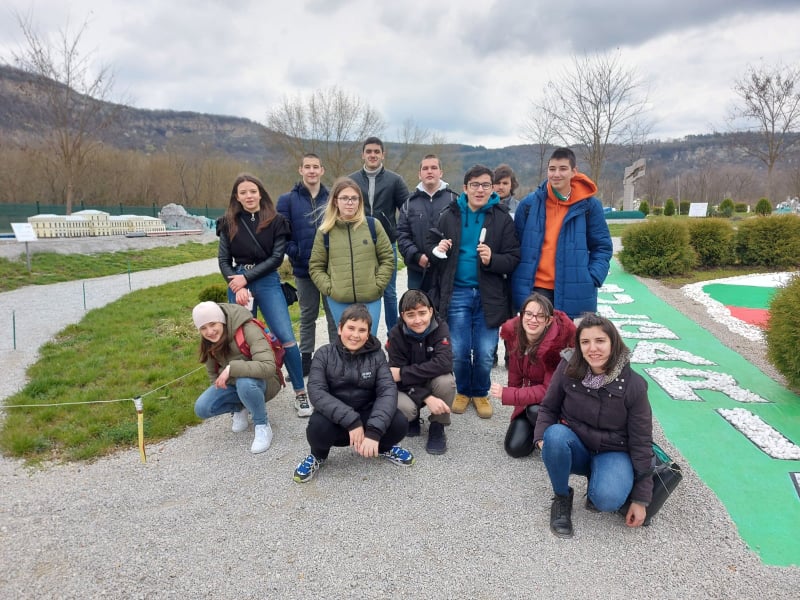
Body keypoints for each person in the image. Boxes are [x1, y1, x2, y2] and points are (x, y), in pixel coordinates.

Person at [534, 313, 654, 538]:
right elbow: (549, 407)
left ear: (613, 343)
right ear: (579, 346)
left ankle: (600, 481)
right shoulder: (568, 367)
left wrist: (641, 499)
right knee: (554, 436)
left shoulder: (634, 385)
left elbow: (641, 441)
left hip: (613, 450)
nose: (593, 349)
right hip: (577, 444)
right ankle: (562, 497)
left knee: (607, 500)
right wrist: (542, 438)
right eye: (585, 342)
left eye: (600, 341)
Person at [427, 164, 520, 419]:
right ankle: (463, 390)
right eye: (475, 185)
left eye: (486, 185)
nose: (480, 190)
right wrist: (438, 249)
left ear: (492, 188)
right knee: (458, 350)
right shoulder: (449, 215)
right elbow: (430, 244)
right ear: (465, 188)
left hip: (490, 295)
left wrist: (492, 259)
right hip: (457, 292)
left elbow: (513, 257)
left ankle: (479, 392)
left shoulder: (501, 218)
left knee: (485, 352)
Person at [217, 173, 311, 417]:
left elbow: (277, 258)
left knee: (286, 337)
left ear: (260, 193)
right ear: (236, 197)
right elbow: (224, 260)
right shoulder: (227, 223)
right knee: (240, 342)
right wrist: (238, 284)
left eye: (253, 191)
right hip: (238, 283)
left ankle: (300, 393)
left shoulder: (276, 221)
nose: (249, 196)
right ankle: (243, 400)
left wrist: (246, 279)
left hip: (267, 281)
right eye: (243, 192)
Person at [292, 304, 414, 483]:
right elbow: (317, 392)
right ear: (340, 329)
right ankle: (318, 456)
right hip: (336, 420)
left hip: (367, 415)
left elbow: (387, 391)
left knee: (399, 422)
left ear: (368, 334)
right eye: (351, 328)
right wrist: (351, 421)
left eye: (362, 330)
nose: (355, 335)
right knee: (317, 428)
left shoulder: (378, 355)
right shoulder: (323, 354)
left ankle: (384, 447)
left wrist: (374, 431)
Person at [512, 147, 612, 318]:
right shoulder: (528, 204)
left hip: (575, 289)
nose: (556, 174)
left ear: (574, 171)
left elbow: (602, 247)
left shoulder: (589, 206)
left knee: (570, 336)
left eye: (563, 169)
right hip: (535, 290)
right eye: (552, 169)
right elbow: (515, 246)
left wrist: (592, 277)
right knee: (535, 335)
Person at [489, 293, 575, 458]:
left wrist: (509, 394)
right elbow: (515, 373)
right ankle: (538, 433)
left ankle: (560, 436)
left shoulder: (557, 346)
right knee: (514, 448)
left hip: (557, 402)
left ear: (548, 320)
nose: (533, 319)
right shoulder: (515, 334)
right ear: (522, 315)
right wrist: (516, 400)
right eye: (529, 314)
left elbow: (548, 390)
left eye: (540, 316)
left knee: (535, 410)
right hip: (532, 400)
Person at [308, 176, 394, 336]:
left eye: (354, 198)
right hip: (339, 300)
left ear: (360, 201)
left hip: (370, 298)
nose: (350, 202)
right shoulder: (325, 231)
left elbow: (388, 258)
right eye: (345, 198)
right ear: (335, 201)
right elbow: (316, 266)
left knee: (368, 340)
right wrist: (330, 288)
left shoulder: (373, 225)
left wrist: (377, 285)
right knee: (347, 342)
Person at [192, 301, 282, 454]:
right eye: (203, 328)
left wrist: (231, 368)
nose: (209, 331)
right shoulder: (209, 341)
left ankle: (262, 425)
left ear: (221, 321)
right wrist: (221, 389)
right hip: (235, 384)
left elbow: (268, 367)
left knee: (245, 383)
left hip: (265, 382)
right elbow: (213, 374)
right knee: (202, 408)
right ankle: (240, 407)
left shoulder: (248, 329)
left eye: (213, 324)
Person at [276, 153, 337, 376]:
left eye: (315, 167)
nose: (312, 171)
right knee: (307, 315)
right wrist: (297, 253)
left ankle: (336, 358)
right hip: (303, 269)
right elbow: (281, 235)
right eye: (307, 167)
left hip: (330, 270)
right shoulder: (287, 200)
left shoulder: (332, 198)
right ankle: (306, 360)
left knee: (333, 315)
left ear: (322, 170)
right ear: (300, 170)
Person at [349, 137, 410, 331]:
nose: (372, 155)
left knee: (389, 293)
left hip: (387, 244)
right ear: (363, 155)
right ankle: (363, 333)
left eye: (377, 151)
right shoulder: (352, 180)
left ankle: (394, 335)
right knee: (362, 291)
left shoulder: (395, 180)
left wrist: (398, 233)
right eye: (369, 151)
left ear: (383, 155)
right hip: (359, 244)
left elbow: (407, 211)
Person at [387, 289, 455, 455]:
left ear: (430, 311)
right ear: (403, 316)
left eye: (422, 313)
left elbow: (444, 363)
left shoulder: (441, 327)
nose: (418, 320)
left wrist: (403, 373)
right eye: (411, 315)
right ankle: (414, 417)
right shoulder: (395, 335)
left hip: (430, 381)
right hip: (408, 387)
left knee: (446, 381)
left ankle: (438, 425)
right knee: (404, 410)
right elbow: (394, 378)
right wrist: (426, 397)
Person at [397, 154, 458, 293]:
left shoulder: (454, 201)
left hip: (447, 271)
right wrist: (417, 256)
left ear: (441, 172)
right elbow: (402, 236)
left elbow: (461, 234)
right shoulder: (409, 204)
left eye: (434, 168)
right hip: (417, 271)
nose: (429, 171)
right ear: (419, 174)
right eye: (425, 168)